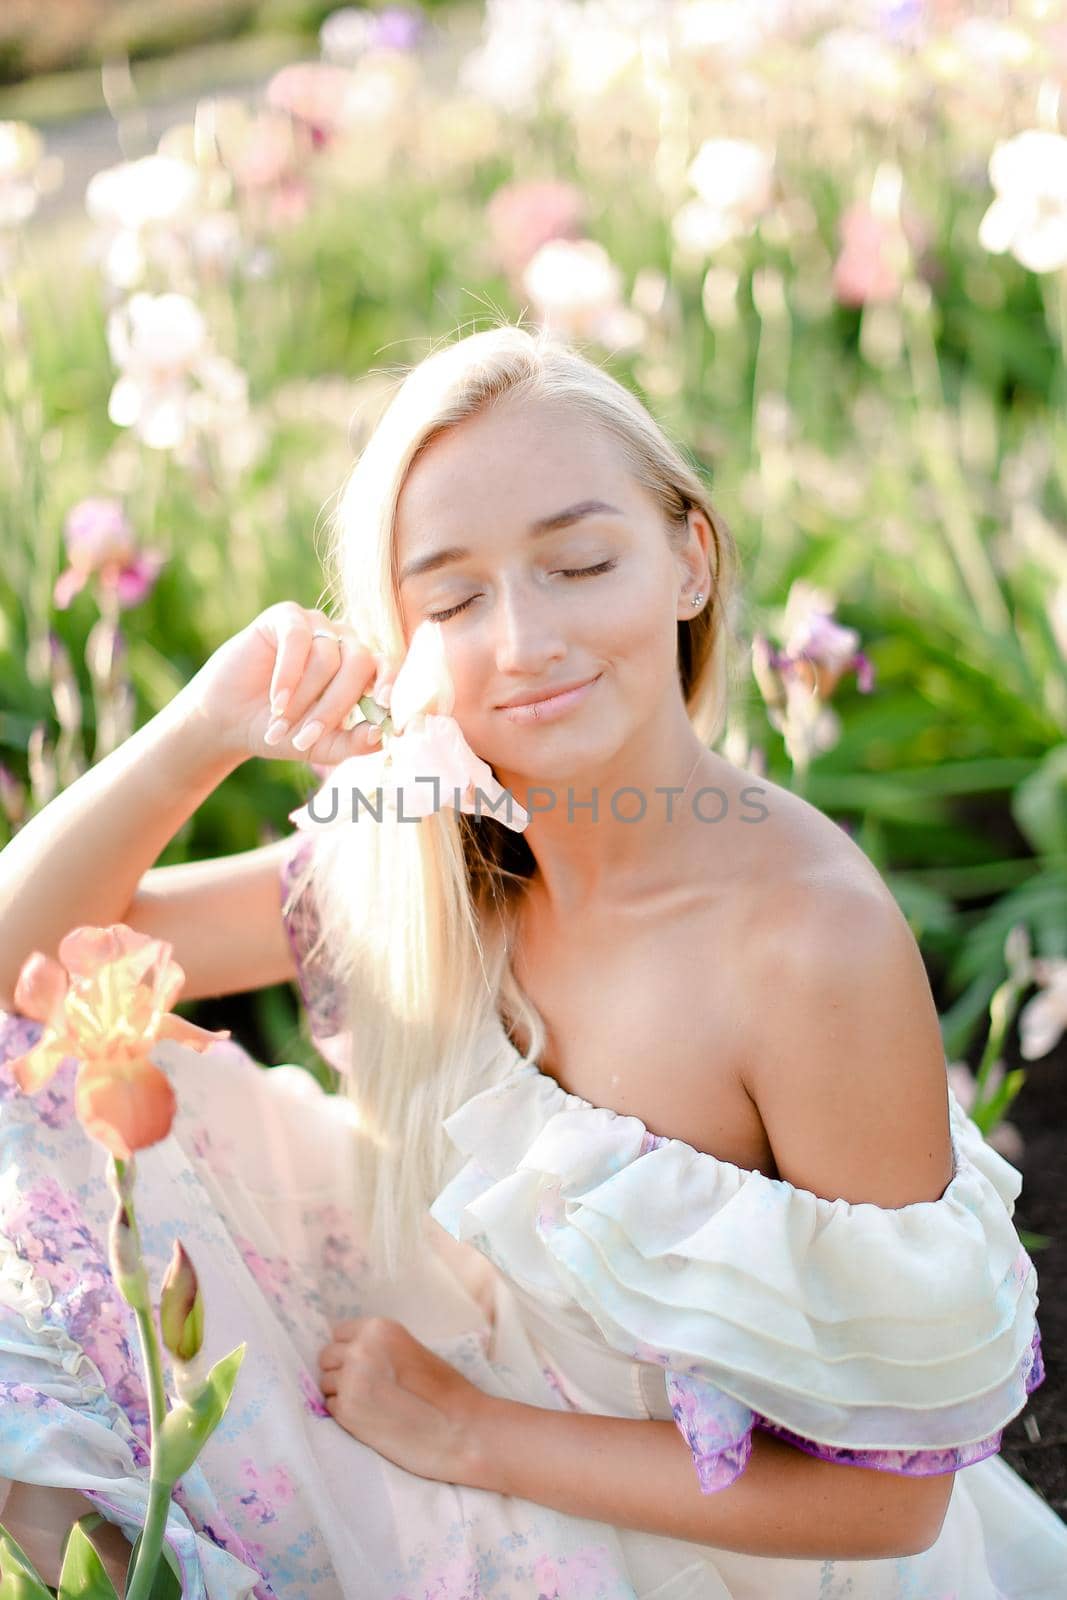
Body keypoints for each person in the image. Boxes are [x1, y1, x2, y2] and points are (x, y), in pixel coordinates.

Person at [0, 323, 1064, 1600]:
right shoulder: (429, 856)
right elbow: (27, 961)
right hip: (432, 1354)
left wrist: (469, 1431)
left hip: (691, 1536)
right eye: (452, 597)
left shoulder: (805, 945)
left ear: (687, 557)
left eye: (576, 562)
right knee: (44, 1093)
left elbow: (886, 1502)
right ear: (399, 639)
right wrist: (202, 730)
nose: (523, 641)